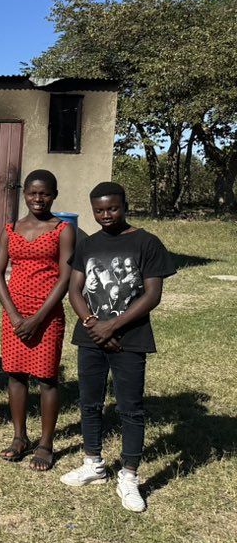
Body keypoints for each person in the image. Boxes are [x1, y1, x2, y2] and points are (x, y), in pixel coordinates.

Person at [60, 182, 175, 512]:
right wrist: (94, 325)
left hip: (131, 339)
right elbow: (75, 290)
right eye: (99, 210)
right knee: (89, 402)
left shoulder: (147, 243)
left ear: (125, 206)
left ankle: (128, 474)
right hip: (91, 339)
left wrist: (113, 325)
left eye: (112, 208)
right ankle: (94, 462)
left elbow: (152, 295)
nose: (106, 215)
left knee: (130, 407)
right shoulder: (87, 244)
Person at [0, 170, 75, 470]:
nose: (38, 198)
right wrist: (14, 315)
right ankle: (19, 437)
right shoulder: (11, 228)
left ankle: (46, 443)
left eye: (45, 193)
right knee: (15, 374)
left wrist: (38, 318)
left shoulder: (62, 229)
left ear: (54, 194)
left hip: (47, 314)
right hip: (14, 313)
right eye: (32, 192)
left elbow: (65, 277)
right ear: (23, 193)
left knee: (47, 378)